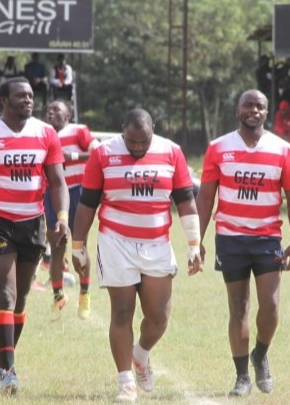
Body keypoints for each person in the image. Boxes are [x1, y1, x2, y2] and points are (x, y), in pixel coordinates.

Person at [71, 109, 202, 402]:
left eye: (143, 141)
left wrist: (194, 245)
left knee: (159, 317)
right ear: (122, 132)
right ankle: (125, 381)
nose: (138, 147)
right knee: (121, 312)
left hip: (156, 243)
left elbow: (185, 201)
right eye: (132, 142)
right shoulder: (103, 153)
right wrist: (77, 246)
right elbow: (87, 203)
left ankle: (140, 355)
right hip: (115, 242)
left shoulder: (172, 151)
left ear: (153, 130)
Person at [0, 77, 70, 397]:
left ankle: (3, 362)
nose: (28, 101)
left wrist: (61, 218)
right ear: (3, 100)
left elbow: (58, 182)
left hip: (33, 224)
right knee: (4, 294)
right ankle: (9, 369)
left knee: (20, 299)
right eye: (20, 96)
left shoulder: (46, 134)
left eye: (31, 96)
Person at [196, 89, 290, 397]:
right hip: (230, 238)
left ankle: (260, 354)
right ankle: (242, 376)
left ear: (266, 113)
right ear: (237, 110)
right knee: (238, 308)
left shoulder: (282, 150)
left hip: (267, 238)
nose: (253, 111)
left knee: (269, 307)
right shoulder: (218, 148)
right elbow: (205, 196)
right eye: (247, 105)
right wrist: (197, 240)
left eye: (259, 106)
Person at [43, 100, 99, 319]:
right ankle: (58, 296)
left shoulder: (78, 131)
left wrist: (73, 156)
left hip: (78, 192)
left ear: (67, 115)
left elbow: (98, 153)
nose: (51, 112)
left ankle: (85, 294)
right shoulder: (43, 133)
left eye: (56, 109)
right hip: (52, 195)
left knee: (79, 246)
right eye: (49, 109)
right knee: (56, 246)